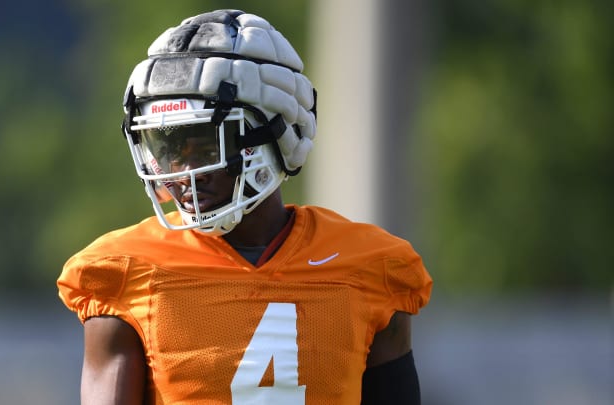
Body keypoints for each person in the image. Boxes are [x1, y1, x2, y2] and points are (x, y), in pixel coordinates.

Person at [57, 9, 432, 405]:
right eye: (168, 151)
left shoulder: (370, 267)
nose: (183, 172)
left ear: (272, 134)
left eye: (202, 145)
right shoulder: (125, 271)